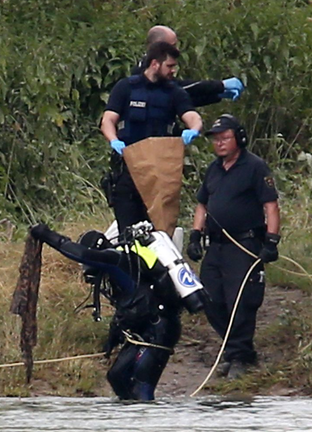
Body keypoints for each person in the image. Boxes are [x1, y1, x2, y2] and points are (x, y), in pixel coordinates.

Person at [30, 221, 200, 401]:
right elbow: (130, 304)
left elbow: (81, 254)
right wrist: (114, 335)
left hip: (160, 329)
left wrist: (47, 235)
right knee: (117, 376)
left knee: (141, 384)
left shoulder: (115, 259)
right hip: (146, 328)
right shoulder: (121, 269)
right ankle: (130, 416)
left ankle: (148, 414)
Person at [186, 114, 280, 379]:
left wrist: (271, 241)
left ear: (239, 138)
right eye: (216, 139)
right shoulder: (214, 169)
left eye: (225, 138)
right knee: (210, 298)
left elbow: (271, 205)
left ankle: (240, 355)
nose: (219, 143)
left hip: (244, 243)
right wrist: (195, 235)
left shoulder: (255, 167)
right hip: (216, 245)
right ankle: (234, 348)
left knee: (241, 300)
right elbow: (202, 204)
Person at [101, 41, 203, 232]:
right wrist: (114, 140)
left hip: (159, 172)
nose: (173, 71)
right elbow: (108, 120)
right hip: (129, 167)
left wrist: (194, 129)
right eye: (169, 66)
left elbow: (192, 117)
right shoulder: (126, 87)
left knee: (158, 231)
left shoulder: (174, 92)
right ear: (155, 64)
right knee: (128, 232)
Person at [134, 25, 246, 106]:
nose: (177, 49)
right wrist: (220, 85)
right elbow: (179, 88)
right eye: (173, 45)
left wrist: (216, 96)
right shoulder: (142, 72)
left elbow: (182, 99)